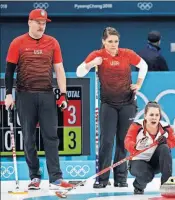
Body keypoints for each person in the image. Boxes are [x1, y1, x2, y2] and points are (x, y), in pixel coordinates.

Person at [4, 9, 73, 190]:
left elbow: (59, 69)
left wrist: (63, 94)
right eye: (38, 22)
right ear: (30, 22)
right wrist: (9, 94)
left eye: (44, 23)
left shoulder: (53, 43)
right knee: (28, 138)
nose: (42, 26)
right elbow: (9, 71)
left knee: (51, 137)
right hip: (25, 96)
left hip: (46, 95)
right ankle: (35, 176)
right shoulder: (17, 43)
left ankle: (56, 178)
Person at [76, 27, 148, 188]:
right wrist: (91, 64)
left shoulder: (127, 53)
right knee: (106, 141)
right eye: (110, 41)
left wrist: (138, 84)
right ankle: (102, 179)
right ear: (103, 42)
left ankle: (121, 178)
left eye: (116, 41)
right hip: (108, 104)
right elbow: (79, 72)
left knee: (123, 142)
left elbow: (143, 65)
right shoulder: (97, 55)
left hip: (128, 103)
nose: (113, 45)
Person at [124, 101, 175, 194]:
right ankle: (138, 186)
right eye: (151, 114)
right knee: (147, 175)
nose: (154, 117)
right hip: (138, 161)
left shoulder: (166, 127)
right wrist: (135, 146)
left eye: (157, 115)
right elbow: (127, 142)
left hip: (155, 162)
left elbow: (174, 142)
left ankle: (166, 186)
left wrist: (166, 142)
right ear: (145, 116)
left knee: (165, 147)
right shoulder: (136, 126)